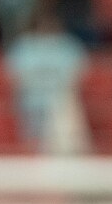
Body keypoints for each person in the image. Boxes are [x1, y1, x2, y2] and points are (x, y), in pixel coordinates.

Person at [5, 11, 90, 154]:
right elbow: (15, 77)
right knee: (32, 136)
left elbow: (77, 76)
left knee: (66, 113)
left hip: (61, 100)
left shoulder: (69, 46)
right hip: (31, 99)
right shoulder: (24, 46)